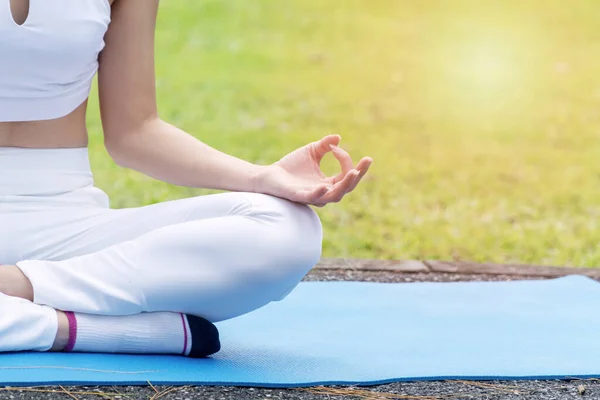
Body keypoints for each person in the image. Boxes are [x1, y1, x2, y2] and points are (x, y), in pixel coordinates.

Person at [0, 0, 372, 358]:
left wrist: (262, 177)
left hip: (68, 225)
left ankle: (16, 290)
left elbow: (135, 133)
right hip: (72, 264)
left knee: (290, 230)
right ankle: (81, 330)